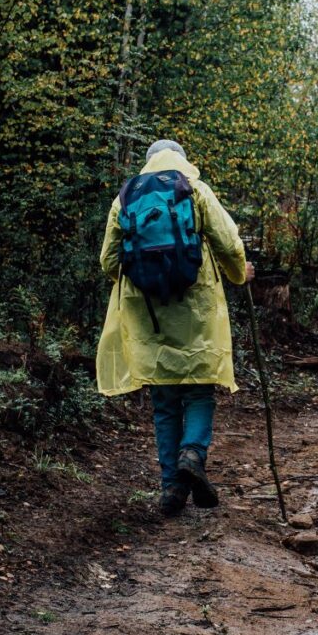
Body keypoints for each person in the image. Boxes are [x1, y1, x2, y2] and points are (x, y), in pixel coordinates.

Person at [95, 139, 253, 516]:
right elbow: (229, 243)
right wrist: (238, 276)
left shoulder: (125, 198)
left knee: (165, 404)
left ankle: (171, 491)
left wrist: (142, 278)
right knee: (198, 391)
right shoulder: (194, 189)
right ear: (183, 161)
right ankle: (193, 453)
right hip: (195, 309)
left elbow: (107, 261)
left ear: (149, 162)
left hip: (147, 313)